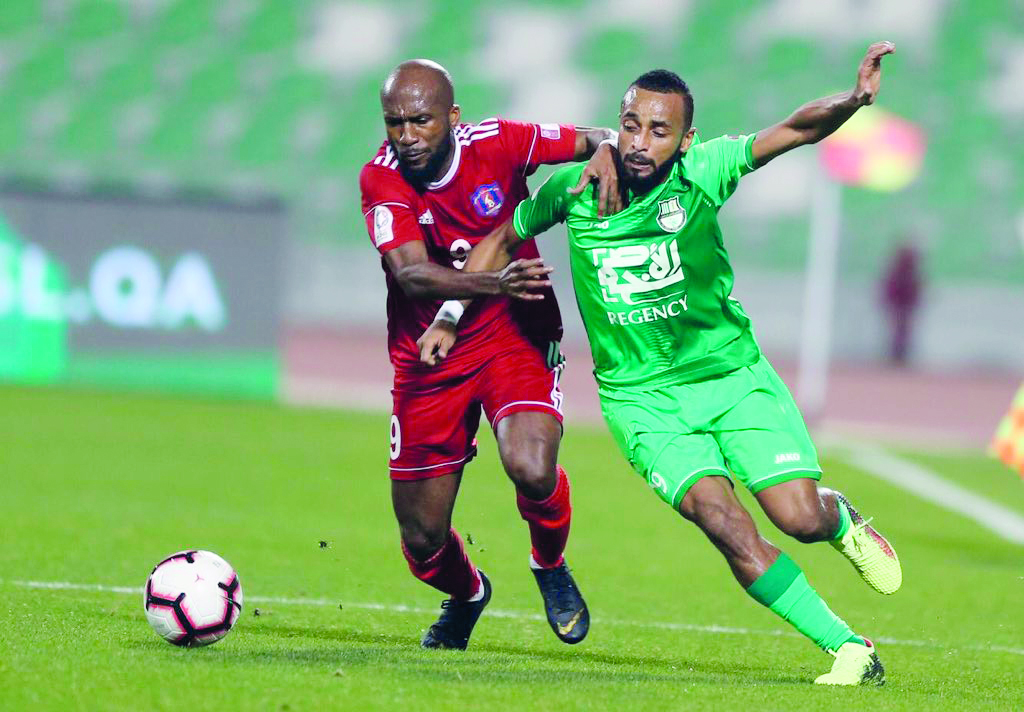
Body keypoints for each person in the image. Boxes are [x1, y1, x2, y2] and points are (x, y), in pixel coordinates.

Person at [418, 43, 903, 684]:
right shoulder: (576, 188)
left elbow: (795, 129)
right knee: (722, 522)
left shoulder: (704, 171)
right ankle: (849, 648)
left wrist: (855, 99)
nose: (640, 142)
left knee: (797, 518)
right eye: (630, 125)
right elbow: (500, 239)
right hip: (641, 401)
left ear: (686, 137)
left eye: (659, 130)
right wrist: (450, 317)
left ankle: (836, 517)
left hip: (729, 377)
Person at [359, 59, 622, 650]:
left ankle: (549, 565)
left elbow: (599, 137)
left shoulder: (500, 141)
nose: (406, 136)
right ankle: (470, 591)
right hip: (429, 355)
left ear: (453, 116)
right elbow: (413, 277)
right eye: (394, 123)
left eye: (420, 121)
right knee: (423, 543)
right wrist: (494, 282)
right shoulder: (381, 178)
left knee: (530, 466)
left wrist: (603, 149)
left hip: (512, 332)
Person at [880, 242, 922, 365]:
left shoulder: (910, 271)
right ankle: (897, 357)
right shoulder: (899, 271)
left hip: (904, 305)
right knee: (899, 332)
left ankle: (900, 357)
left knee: (903, 332)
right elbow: (891, 286)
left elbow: (915, 287)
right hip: (898, 304)